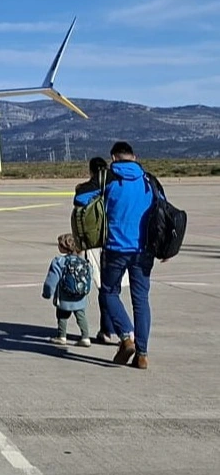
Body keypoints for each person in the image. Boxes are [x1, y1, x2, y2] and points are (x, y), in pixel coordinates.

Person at [87, 141, 157, 369]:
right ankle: (142, 354)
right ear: (134, 157)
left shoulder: (107, 178)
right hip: (143, 250)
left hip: (115, 248)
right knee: (141, 300)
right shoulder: (149, 180)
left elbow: (80, 198)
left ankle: (126, 337)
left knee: (109, 292)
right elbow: (163, 211)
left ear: (114, 158)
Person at [73, 157, 114, 344]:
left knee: (105, 289)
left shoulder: (94, 185)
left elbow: (79, 199)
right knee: (112, 289)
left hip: (97, 242)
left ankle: (110, 330)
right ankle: (115, 329)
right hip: (119, 240)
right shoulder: (115, 182)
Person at [43, 233, 94, 347]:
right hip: (80, 296)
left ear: (63, 248)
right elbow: (89, 275)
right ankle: (85, 337)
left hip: (64, 296)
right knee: (81, 316)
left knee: (62, 315)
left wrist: (47, 293)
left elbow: (52, 280)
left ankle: (62, 336)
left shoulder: (59, 261)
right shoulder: (84, 261)